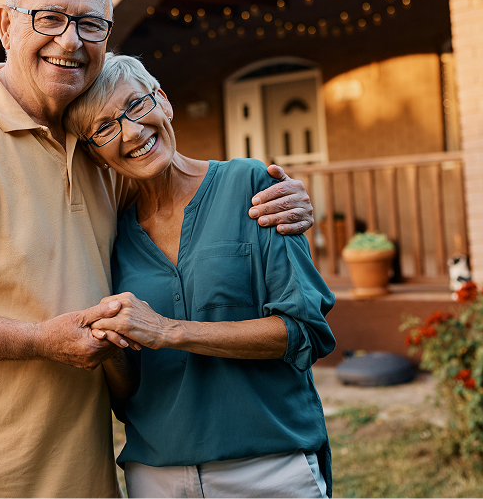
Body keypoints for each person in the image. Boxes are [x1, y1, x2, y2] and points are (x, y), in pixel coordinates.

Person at [0, 0, 315, 499]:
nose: (70, 39)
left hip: (88, 476)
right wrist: (37, 341)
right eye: (48, 18)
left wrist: (281, 196)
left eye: (90, 23)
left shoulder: (99, 147)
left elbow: (175, 186)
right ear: (6, 25)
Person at [66, 54, 335, 499]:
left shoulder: (251, 184)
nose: (132, 131)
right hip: (157, 474)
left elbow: (304, 332)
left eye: (136, 105)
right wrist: (107, 345)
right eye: (104, 127)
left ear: (164, 102)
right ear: (94, 153)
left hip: (269, 466)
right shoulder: (112, 235)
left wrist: (169, 331)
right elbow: (130, 386)